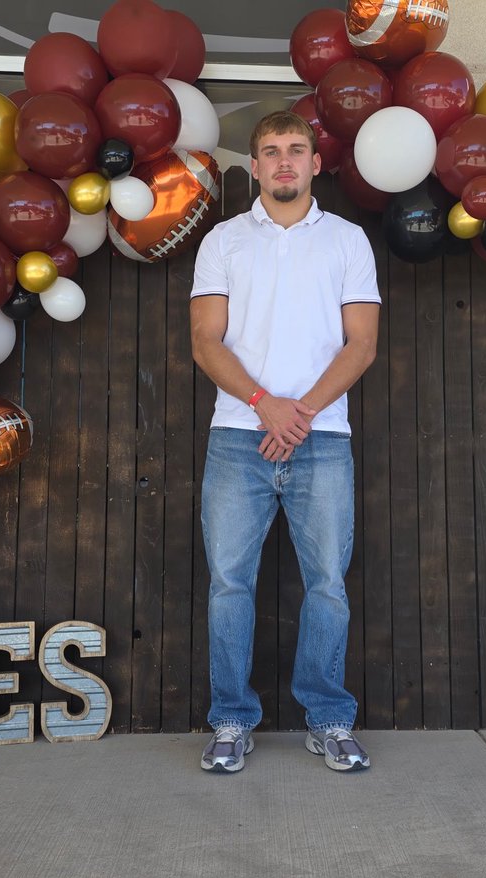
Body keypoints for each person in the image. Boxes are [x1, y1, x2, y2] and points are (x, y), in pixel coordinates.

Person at [189, 110, 381, 773]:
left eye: (296, 149)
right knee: (228, 585)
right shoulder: (223, 242)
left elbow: (362, 344)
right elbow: (205, 341)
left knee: (326, 585)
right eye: (270, 151)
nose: (284, 161)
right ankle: (231, 720)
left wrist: (299, 414)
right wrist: (264, 405)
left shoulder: (348, 241)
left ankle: (328, 719)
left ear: (315, 162)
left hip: (322, 440)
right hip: (237, 437)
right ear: (255, 166)